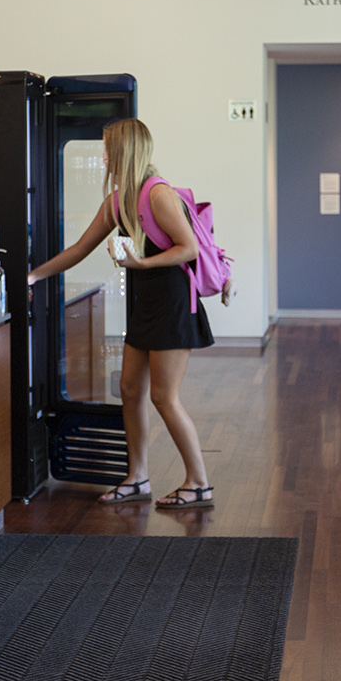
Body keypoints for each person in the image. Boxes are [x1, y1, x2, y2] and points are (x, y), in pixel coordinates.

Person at [26, 118, 215, 509]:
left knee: (164, 397)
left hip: (173, 303)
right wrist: (32, 276)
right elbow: (80, 248)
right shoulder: (118, 200)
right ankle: (138, 477)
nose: (103, 154)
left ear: (125, 151)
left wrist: (141, 265)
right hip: (147, 304)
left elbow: (189, 249)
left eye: (108, 147)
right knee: (130, 389)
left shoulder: (158, 194)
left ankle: (199, 483)